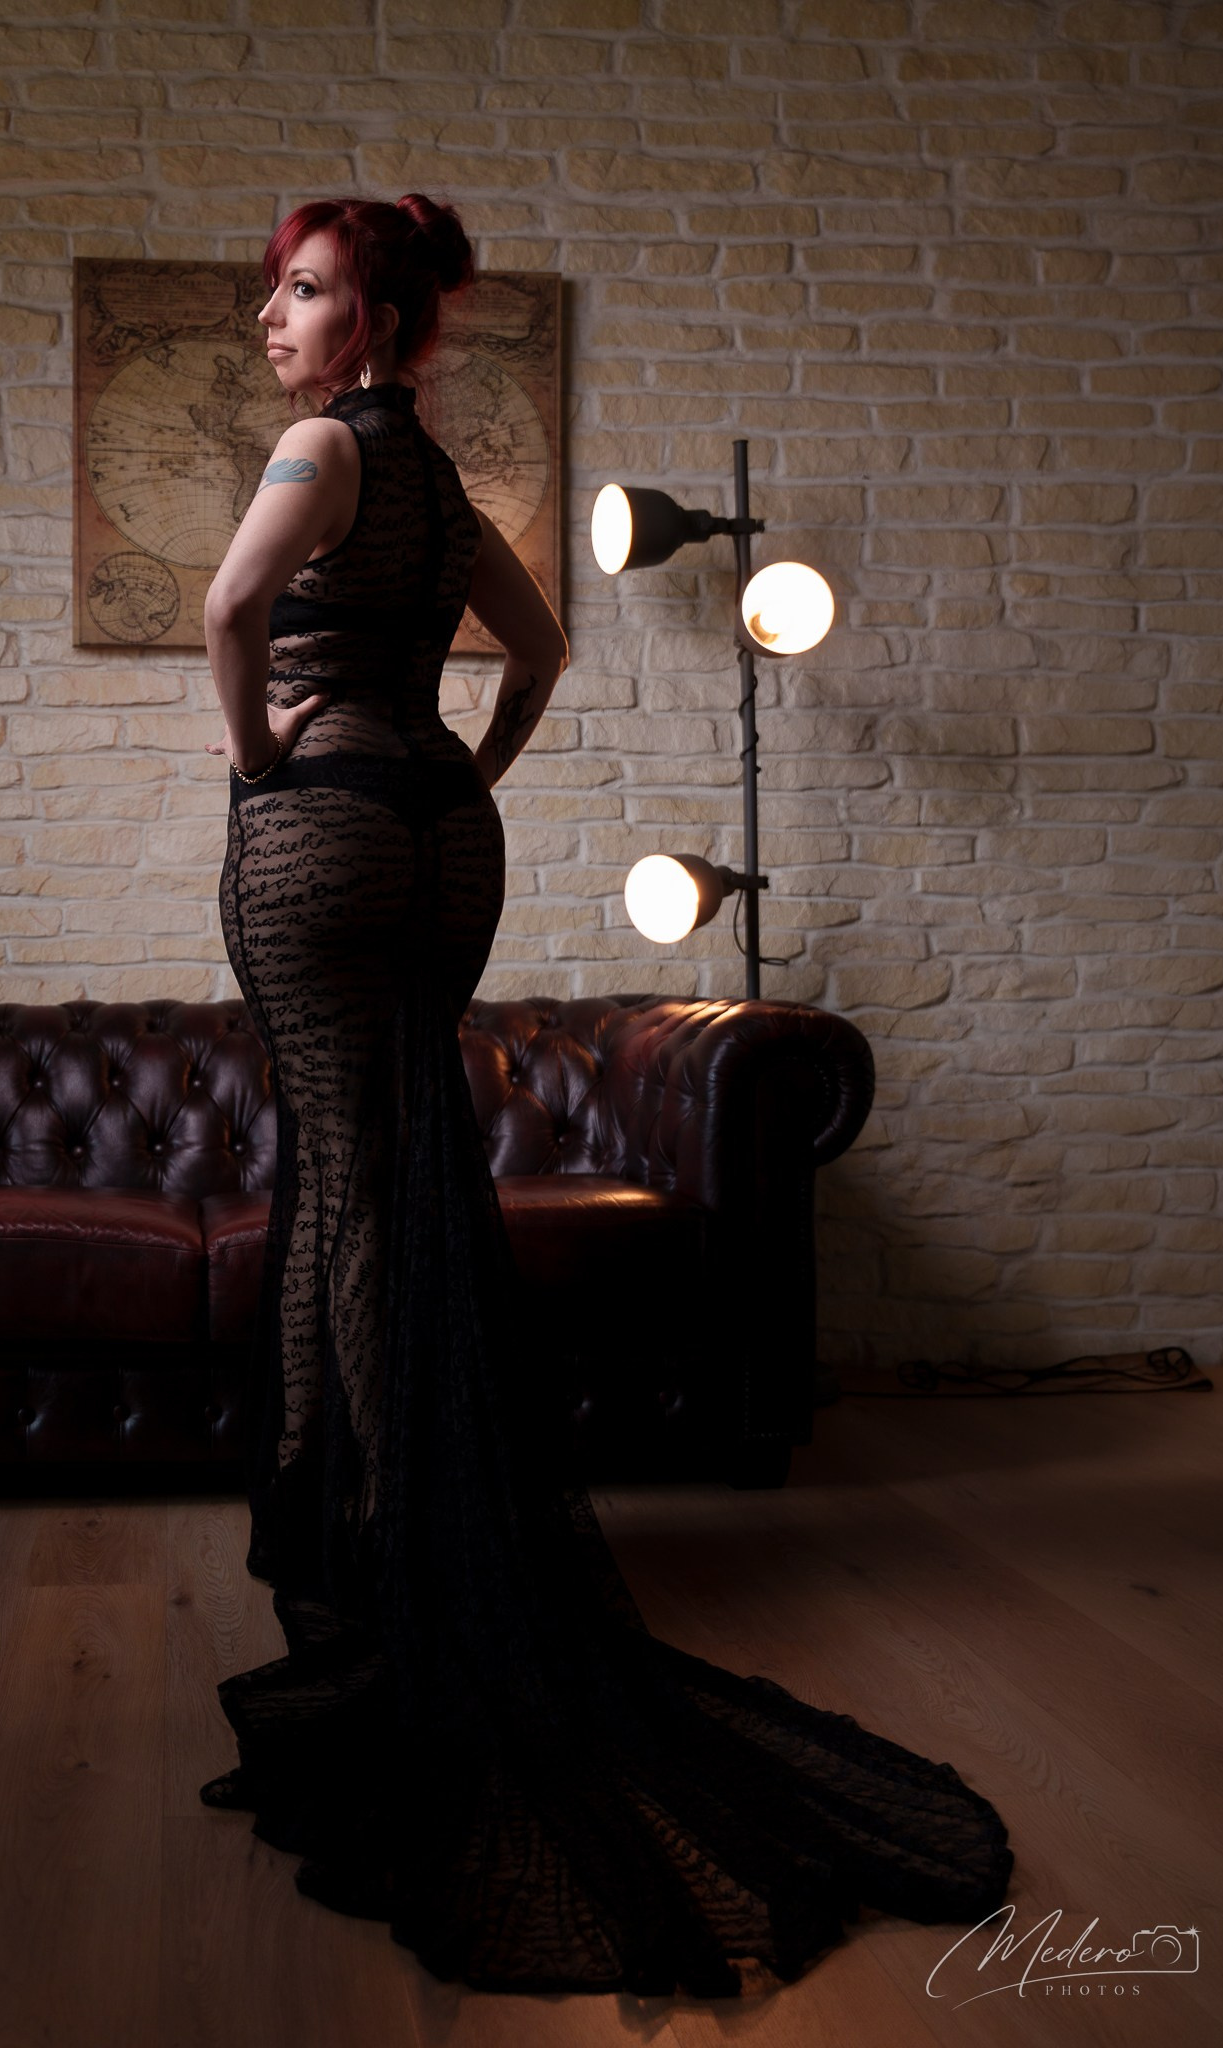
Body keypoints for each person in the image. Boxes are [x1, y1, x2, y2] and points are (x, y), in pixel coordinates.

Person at [198, 193, 1014, 1998]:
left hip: (321, 834)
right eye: (278, 292)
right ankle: (408, 1538)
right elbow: (541, 652)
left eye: (304, 292)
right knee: (400, 1166)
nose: (274, 317)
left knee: (346, 1181)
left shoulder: (317, 452)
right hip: (438, 837)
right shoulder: (438, 486)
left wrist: (258, 763)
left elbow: (232, 606)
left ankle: (381, 1565)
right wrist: (460, 772)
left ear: (373, 320)